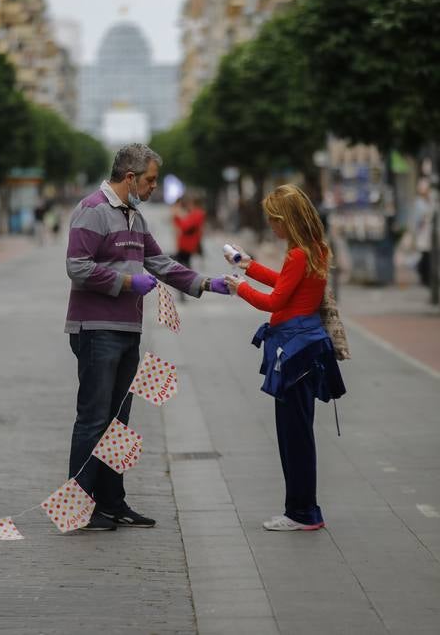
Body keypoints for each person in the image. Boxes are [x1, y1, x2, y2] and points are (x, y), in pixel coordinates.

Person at [65, 143, 229, 532]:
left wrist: (206, 283)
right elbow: (77, 267)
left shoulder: (135, 217)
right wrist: (125, 282)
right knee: (93, 420)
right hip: (96, 329)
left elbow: (160, 263)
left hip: (127, 330)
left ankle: (113, 502)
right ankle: (79, 509)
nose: (155, 187)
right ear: (129, 177)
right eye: (151, 180)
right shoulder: (91, 211)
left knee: (118, 424)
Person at [224, 184, 345, 532]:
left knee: (293, 435)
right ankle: (303, 509)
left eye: (274, 220)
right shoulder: (315, 250)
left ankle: (302, 512)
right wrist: (249, 266)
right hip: (309, 347)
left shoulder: (297, 255)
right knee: (300, 431)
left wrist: (239, 287)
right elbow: (285, 284)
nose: (272, 226)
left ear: (287, 220)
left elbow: (275, 301)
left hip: (294, 350)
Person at [413, 178, 433, 287]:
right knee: (425, 255)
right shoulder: (419, 203)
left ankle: (426, 277)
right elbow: (417, 220)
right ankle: (424, 277)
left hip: (429, 233)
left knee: (428, 255)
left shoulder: (430, 201)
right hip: (422, 232)